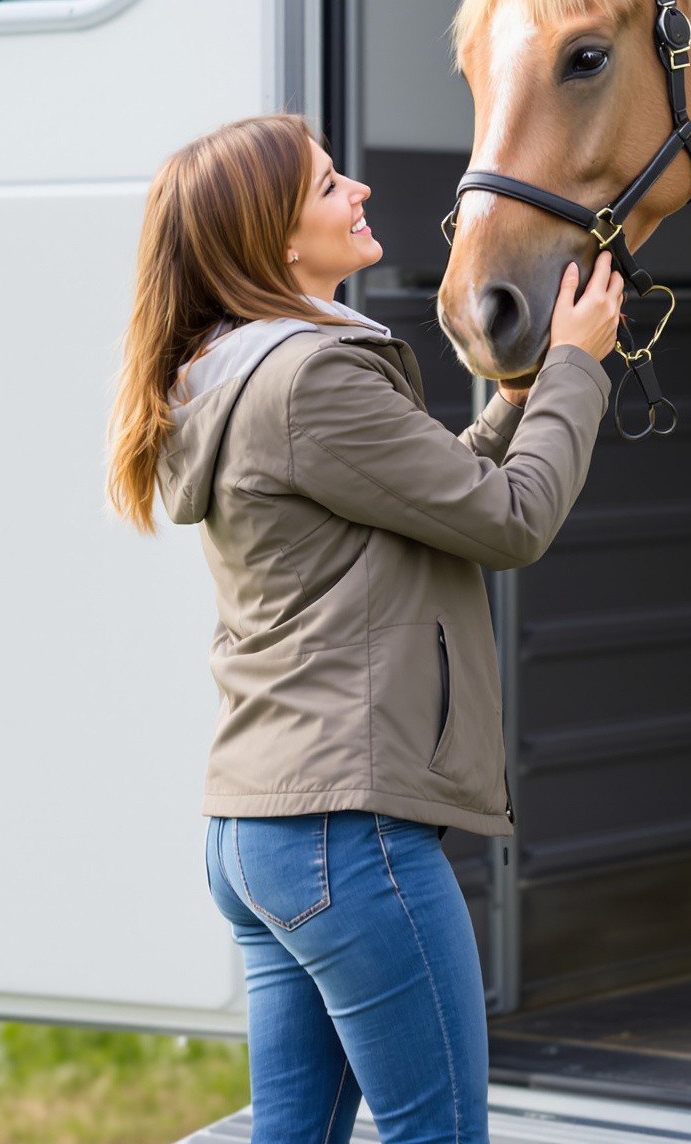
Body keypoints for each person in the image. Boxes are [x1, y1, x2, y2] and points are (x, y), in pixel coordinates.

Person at [107, 113, 622, 1144]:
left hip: (265, 830)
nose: (361, 192)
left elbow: (437, 487)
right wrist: (576, 367)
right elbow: (511, 519)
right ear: (274, 239)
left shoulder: (236, 372)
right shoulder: (313, 378)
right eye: (329, 184)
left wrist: (520, 394)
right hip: (346, 836)